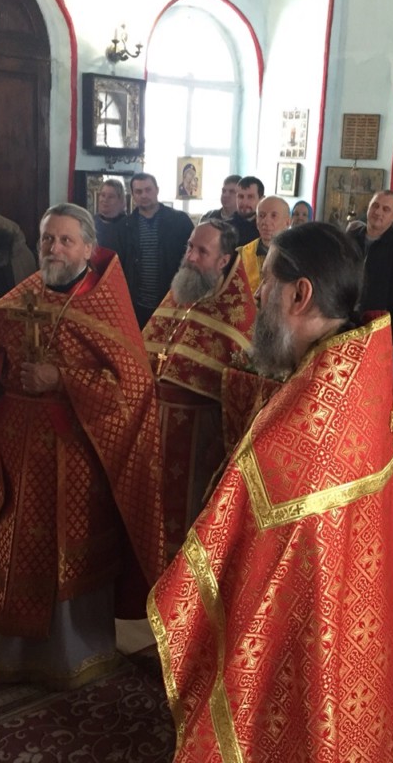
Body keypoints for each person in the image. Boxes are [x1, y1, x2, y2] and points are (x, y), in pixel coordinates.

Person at [149, 222, 393, 760]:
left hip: (303, 617)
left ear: (300, 293)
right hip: (336, 610)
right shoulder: (355, 367)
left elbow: (238, 529)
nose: (257, 294)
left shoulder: (312, 409)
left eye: (266, 280)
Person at [0, 203, 165, 689]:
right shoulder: (25, 293)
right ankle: (5, 650)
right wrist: (4, 375)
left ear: (89, 248)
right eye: (48, 238)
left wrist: (62, 379)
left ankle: (76, 654)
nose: (54, 248)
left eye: (67, 240)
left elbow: (131, 387)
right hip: (13, 448)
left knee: (68, 547)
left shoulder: (106, 303)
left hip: (75, 455)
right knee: (7, 540)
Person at [141, 218, 255, 553]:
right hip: (154, 430)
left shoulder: (239, 313)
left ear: (223, 261)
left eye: (201, 251)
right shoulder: (180, 291)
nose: (190, 257)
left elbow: (242, 394)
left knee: (188, 526)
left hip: (199, 441)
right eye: (190, 247)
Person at [348, 190, 393, 374]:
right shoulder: (350, 239)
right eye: (375, 206)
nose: (378, 212)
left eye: (386, 209)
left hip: (377, 325)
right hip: (344, 319)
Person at [110, 172, 194, 326]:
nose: (144, 195)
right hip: (137, 304)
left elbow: (192, 259)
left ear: (157, 190)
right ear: (133, 195)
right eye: (139, 191)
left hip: (172, 300)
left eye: (148, 190)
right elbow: (118, 266)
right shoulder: (123, 227)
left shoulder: (179, 221)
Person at [237, 194, 291, 293]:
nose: (265, 221)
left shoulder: (297, 256)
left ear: (287, 222)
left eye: (273, 216)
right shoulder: (241, 255)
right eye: (261, 216)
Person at [94, 178, 127, 248]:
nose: (105, 200)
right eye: (103, 195)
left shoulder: (128, 225)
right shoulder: (90, 222)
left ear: (120, 200)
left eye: (111, 197)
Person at [231, 175, 263, 245]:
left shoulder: (265, 228)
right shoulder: (225, 228)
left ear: (261, 199)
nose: (244, 202)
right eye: (240, 196)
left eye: (250, 197)